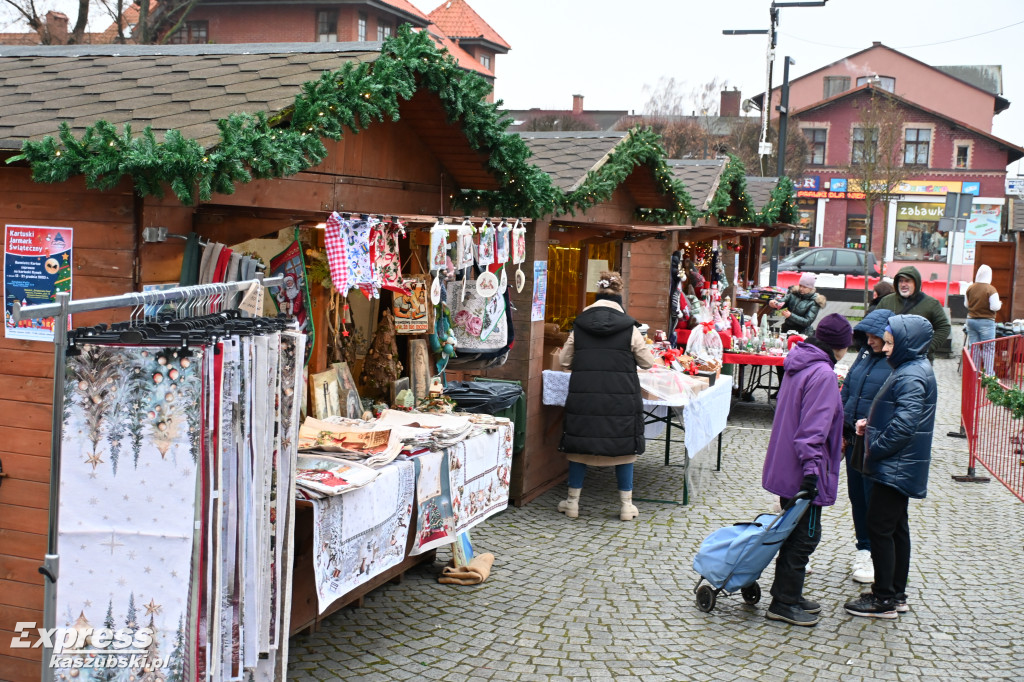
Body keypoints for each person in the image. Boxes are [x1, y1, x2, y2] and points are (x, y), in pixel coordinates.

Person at [761, 313, 853, 626]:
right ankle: (783, 602)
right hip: (804, 471)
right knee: (804, 538)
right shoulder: (824, 374)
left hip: (788, 466)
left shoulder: (800, 362)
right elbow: (812, 431)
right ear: (839, 346)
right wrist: (813, 473)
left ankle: (789, 593)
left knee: (792, 533)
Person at [845, 314, 937, 619]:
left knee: (881, 528)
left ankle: (883, 598)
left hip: (894, 465)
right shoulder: (911, 369)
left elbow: (904, 425)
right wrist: (869, 425)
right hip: (899, 464)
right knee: (896, 528)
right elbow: (897, 417)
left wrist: (874, 446)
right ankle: (896, 594)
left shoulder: (911, 374)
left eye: (891, 342)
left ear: (906, 342)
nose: (885, 348)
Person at [558, 271, 655, 521]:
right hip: (620, 396)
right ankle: (625, 506)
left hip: (585, 396)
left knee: (581, 444)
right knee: (622, 446)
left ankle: (572, 503)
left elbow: (564, 360)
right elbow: (647, 362)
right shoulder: (630, 328)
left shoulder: (579, 325)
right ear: (619, 296)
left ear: (596, 295)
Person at [839, 308, 895, 586]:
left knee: (875, 500)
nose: (870, 341)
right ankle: (863, 547)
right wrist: (844, 427)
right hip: (854, 439)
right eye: (868, 336)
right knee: (857, 497)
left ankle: (875, 553)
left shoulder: (894, 360)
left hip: (877, 442)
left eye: (876, 337)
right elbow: (848, 388)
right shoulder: (862, 355)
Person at [875, 266, 950, 362]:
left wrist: (927, 348)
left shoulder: (931, 304)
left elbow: (944, 327)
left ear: (916, 283)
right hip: (889, 358)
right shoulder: (886, 301)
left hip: (918, 360)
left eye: (907, 281)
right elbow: (876, 324)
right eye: (901, 281)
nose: (903, 284)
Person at [965, 264, 1002, 374]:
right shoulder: (990, 289)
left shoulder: (970, 288)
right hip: (986, 321)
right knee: (988, 348)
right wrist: (1000, 304)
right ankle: (989, 375)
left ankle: (974, 374)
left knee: (974, 347)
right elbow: (994, 307)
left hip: (971, 320)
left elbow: (966, 305)